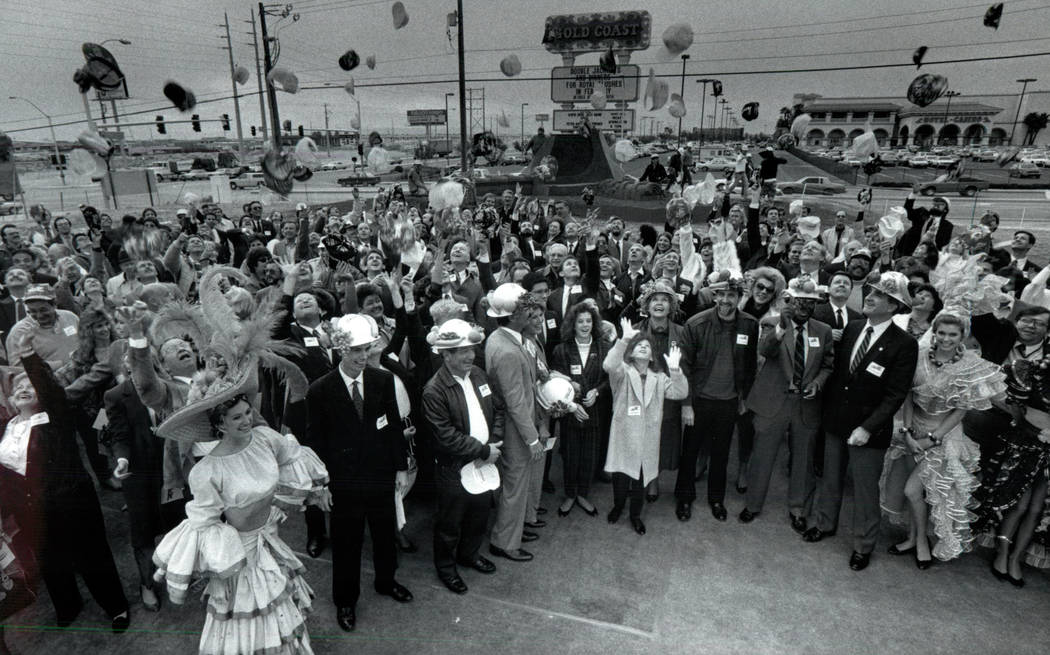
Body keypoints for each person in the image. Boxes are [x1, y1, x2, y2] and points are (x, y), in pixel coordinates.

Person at [151, 385, 330, 655]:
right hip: (239, 555)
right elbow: (204, 525)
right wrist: (220, 574)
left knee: (278, 609)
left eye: (248, 412)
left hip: (270, 538)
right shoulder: (207, 471)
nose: (247, 420)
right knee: (251, 614)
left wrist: (308, 494)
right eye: (236, 417)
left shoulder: (265, 438)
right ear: (219, 423)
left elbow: (292, 459)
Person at [0, 334, 129, 632]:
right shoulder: (6, 429)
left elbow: (51, 389)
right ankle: (68, 605)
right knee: (50, 559)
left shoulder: (53, 416)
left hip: (71, 500)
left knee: (91, 555)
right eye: (17, 387)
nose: (23, 388)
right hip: (31, 509)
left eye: (29, 385)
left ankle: (115, 606)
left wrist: (30, 356)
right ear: (8, 400)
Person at [804, 272, 919, 572]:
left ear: (894, 306)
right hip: (836, 422)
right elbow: (841, 375)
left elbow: (895, 395)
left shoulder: (904, 344)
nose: (869, 296)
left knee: (866, 491)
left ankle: (863, 545)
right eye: (871, 291)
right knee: (830, 479)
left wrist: (867, 428)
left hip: (869, 431)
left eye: (880, 295)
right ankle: (825, 524)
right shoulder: (854, 328)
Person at [305, 314, 412, 633]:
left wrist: (400, 468)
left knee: (384, 535)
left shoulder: (381, 381)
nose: (363, 356)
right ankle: (346, 600)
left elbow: (393, 427)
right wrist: (320, 484)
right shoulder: (320, 390)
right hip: (343, 481)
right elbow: (315, 442)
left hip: (380, 476)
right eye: (355, 351)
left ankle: (386, 580)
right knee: (346, 543)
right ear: (340, 351)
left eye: (366, 349)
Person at [880, 312, 1005, 566]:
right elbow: (907, 397)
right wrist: (906, 432)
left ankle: (924, 541)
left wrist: (932, 439)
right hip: (911, 429)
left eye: (953, 334)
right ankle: (913, 537)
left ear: (963, 336)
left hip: (944, 435)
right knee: (912, 493)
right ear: (934, 333)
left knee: (913, 490)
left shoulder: (969, 366)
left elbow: (961, 410)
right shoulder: (918, 355)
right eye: (942, 333)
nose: (946, 339)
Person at [740, 277, 834, 532]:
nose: (804, 306)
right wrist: (782, 326)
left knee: (803, 459)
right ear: (790, 301)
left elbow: (828, 365)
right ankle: (753, 504)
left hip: (805, 403)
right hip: (774, 401)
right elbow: (765, 350)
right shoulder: (772, 323)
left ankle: (799, 509)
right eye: (800, 301)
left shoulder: (823, 331)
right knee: (762, 455)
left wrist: (818, 382)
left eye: (810, 302)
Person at [421, 319, 502, 595]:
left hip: (484, 460)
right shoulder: (434, 390)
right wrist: (483, 451)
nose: (470, 355)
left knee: (479, 514)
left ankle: (469, 555)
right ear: (445, 355)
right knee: (449, 523)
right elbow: (445, 436)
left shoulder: (478, 374)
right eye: (461, 350)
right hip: (454, 468)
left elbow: (497, 409)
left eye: (471, 348)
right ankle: (446, 568)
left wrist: (494, 442)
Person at [677, 272, 759, 523]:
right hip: (700, 399)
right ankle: (684, 498)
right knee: (690, 452)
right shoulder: (696, 324)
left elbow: (749, 365)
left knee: (722, 453)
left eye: (731, 296)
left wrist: (744, 399)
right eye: (721, 295)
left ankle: (716, 499)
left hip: (729, 401)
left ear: (739, 298)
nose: (726, 301)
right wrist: (687, 404)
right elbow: (684, 367)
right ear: (714, 297)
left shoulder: (749, 324)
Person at [603, 318, 688, 535]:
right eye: (638, 344)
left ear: (652, 356)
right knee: (620, 476)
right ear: (631, 353)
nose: (643, 346)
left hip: (647, 438)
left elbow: (680, 393)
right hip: (624, 435)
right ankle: (618, 506)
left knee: (640, 480)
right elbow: (608, 365)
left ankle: (635, 515)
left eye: (647, 346)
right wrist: (624, 340)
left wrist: (675, 370)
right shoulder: (622, 372)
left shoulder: (659, 378)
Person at [485, 283, 549, 562]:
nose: (533, 315)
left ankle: (512, 530)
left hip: (512, 424)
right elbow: (516, 401)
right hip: (515, 428)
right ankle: (504, 542)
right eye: (527, 310)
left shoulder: (503, 338)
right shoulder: (509, 350)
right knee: (514, 484)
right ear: (513, 315)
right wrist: (532, 438)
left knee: (514, 484)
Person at [550, 302, 608, 517]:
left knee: (589, 456)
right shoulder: (562, 349)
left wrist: (598, 392)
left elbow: (609, 379)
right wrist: (571, 393)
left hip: (595, 410)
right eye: (580, 321)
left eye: (588, 321)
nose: (585, 325)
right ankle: (570, 494)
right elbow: (554, 379)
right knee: (571, 454)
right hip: (570, 410)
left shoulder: (604, 347)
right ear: (572, 324)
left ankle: (583, 493)